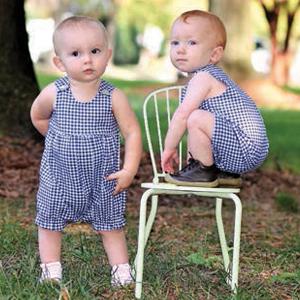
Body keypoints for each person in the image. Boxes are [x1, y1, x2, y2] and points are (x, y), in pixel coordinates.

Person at [30, 16, 142, 286]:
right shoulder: (54, 93)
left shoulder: (113, 96)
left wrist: (128, 170)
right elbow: (38, 117)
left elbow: (132, 132)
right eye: (76, 53)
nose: (87, 60)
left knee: (111, 223)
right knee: (49, 220)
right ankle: (51, 270)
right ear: (60, 62)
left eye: (95, 51)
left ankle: (121, 271)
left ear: (108, 54)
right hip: (59, 173)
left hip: (103, 175)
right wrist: (57, 139)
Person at [161, 10, 269, 187]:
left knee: (193, 116)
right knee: (196, 118)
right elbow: (199, 133)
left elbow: (182, 116)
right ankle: (211, 170)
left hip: (244, 147)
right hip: (245, 147)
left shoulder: (203, 78)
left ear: (214, 55)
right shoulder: (210, 76)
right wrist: (192, 157)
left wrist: (169, 148)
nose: (180, 49)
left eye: (192, 42)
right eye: (175, 42)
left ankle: (203, 171)